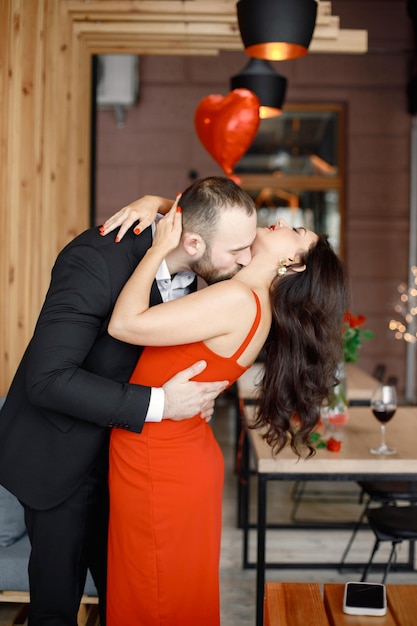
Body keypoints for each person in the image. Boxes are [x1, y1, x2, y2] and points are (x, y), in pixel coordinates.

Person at [0, 177, 257, 626]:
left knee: (123, 600)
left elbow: (190, 204)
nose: (246, 260)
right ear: (192, 242)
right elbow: (48, 379)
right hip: (58, 456)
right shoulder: (95, 260)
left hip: (128, 458)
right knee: (56, 607)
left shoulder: (205, 271)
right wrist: (161, 403)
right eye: (237, 250)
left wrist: (193, 397)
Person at [105, 182, 347, 625]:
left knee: (154, 601)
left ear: (291, 263)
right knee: (168, 597)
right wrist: (156, 203)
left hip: (159, 461)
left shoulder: (237, 299)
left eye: (294, 230)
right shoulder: (253, 304)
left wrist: (156, 250)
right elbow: (208, 218)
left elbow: (124, 324)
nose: (279, 222)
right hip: (173, 452)